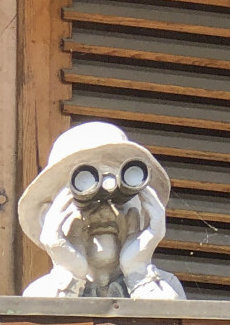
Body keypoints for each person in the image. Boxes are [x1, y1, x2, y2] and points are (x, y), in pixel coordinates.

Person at [18, 122, 186, 299]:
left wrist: (139, 274)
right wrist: (69, 276)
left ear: (145, 210)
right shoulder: (40, 295)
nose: (105, 212)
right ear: (48, 218)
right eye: (85, 200)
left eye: (120, 201)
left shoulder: (166, 289)